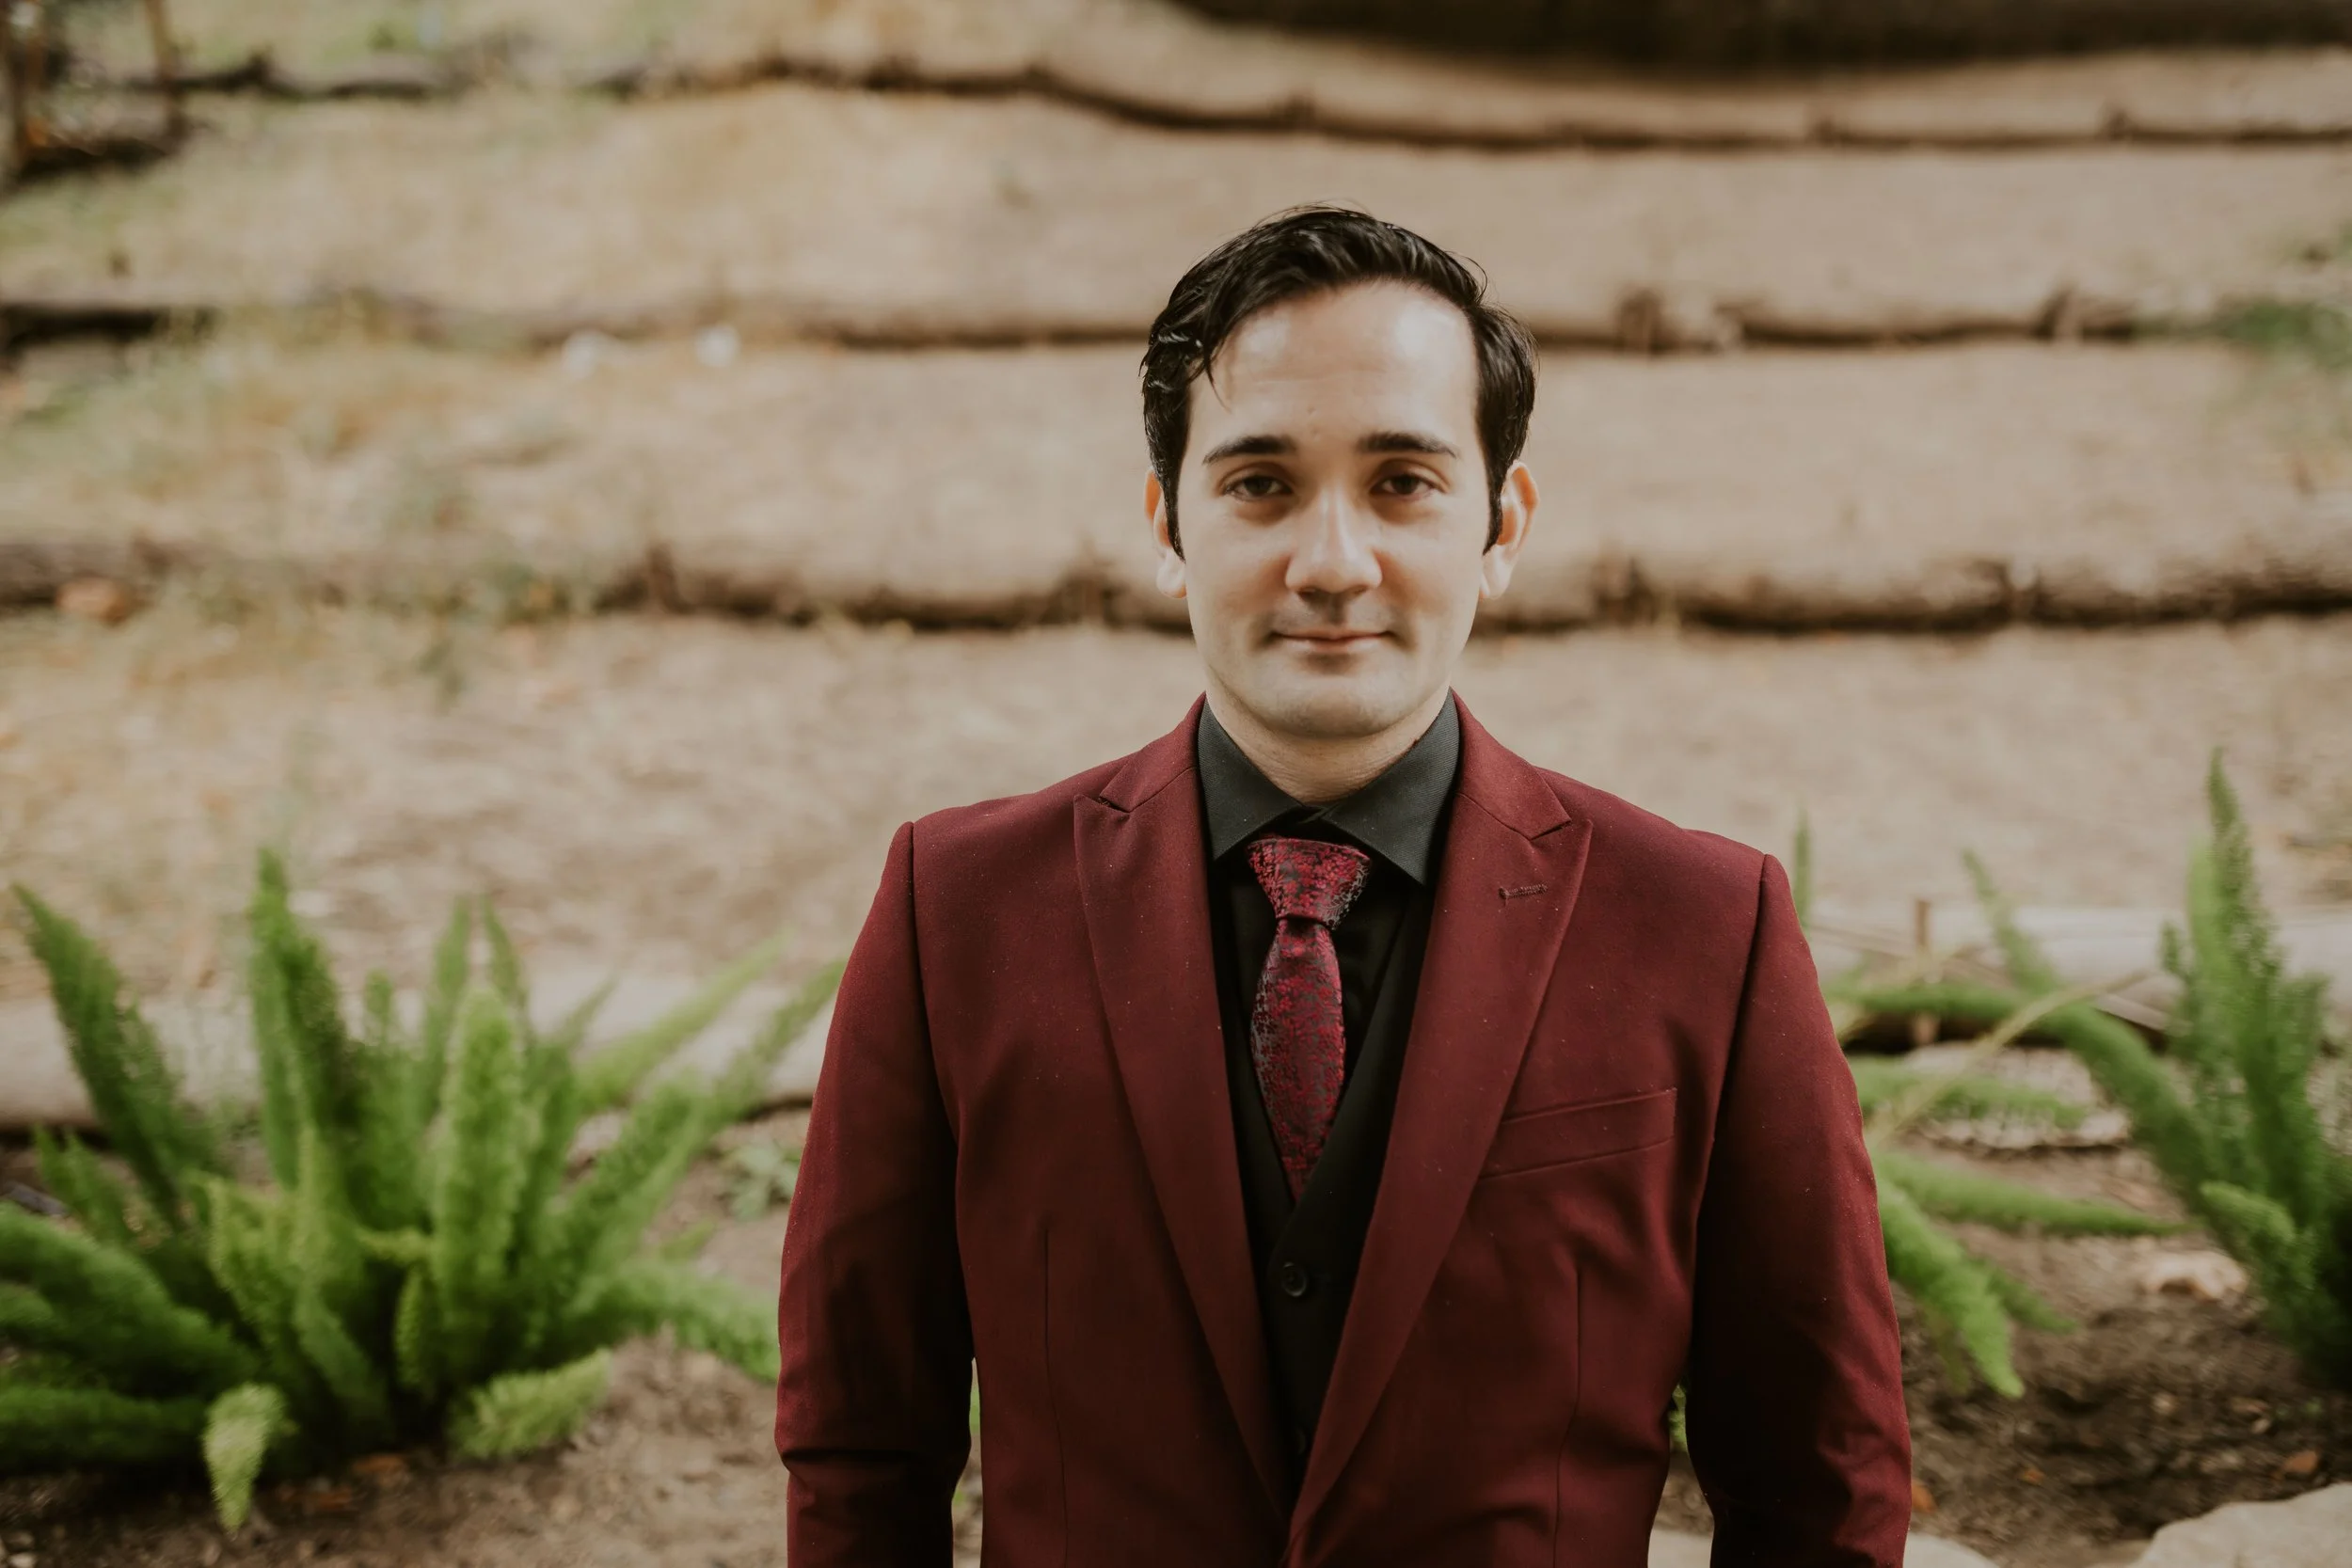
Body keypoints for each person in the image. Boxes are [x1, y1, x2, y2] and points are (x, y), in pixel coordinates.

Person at [775, 206, 1911, 1567]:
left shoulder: (1706, 933)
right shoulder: (954, 914)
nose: (1331, 563)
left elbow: (1818, 1479)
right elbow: (860, 1447)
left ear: (1502, 522)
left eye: (1403, 482)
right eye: (1260, 483)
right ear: (1168, 523)